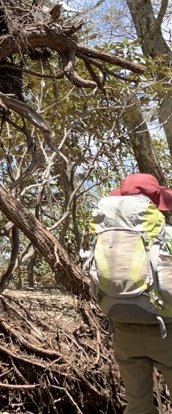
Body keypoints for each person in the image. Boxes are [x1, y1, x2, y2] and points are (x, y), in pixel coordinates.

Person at [107, 173, 172, 414]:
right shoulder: (167, 235)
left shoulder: (109, 238)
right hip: (167, 328)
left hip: (124, 327)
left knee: (137, 405)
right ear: (155, 202)